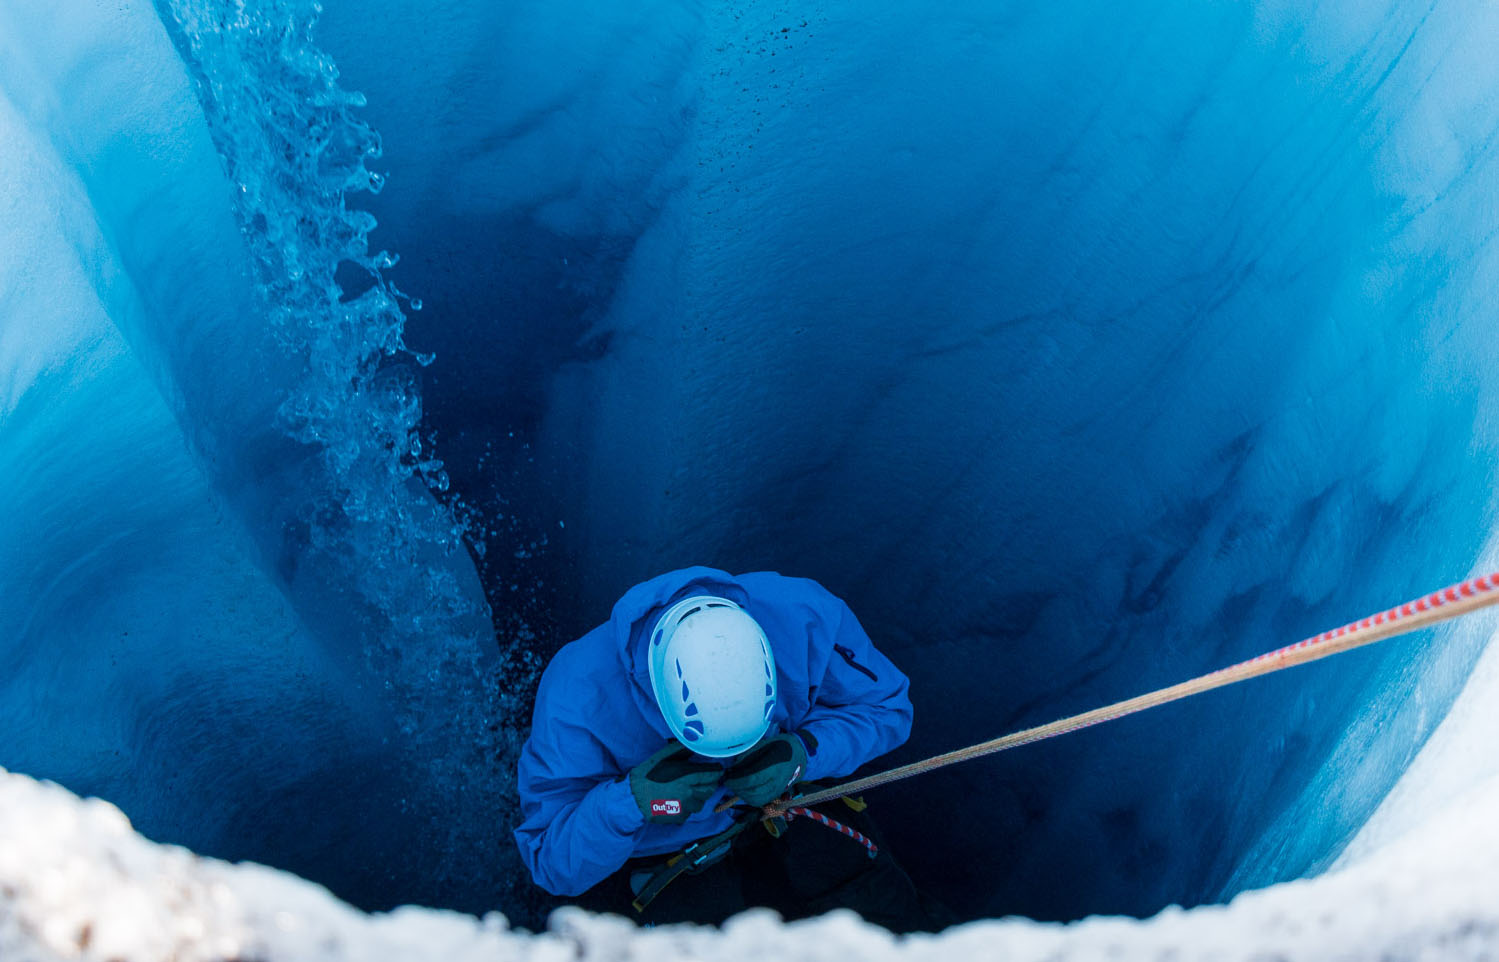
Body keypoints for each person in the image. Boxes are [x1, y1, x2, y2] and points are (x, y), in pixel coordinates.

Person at [514, 566, 939, 929]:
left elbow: (886, 707)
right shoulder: (577, 697)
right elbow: (548, 860)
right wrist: (631, 803)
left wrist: (804, 752)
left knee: (895, 927)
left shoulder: (805, 618)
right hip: (676, 866)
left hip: (794, 810)